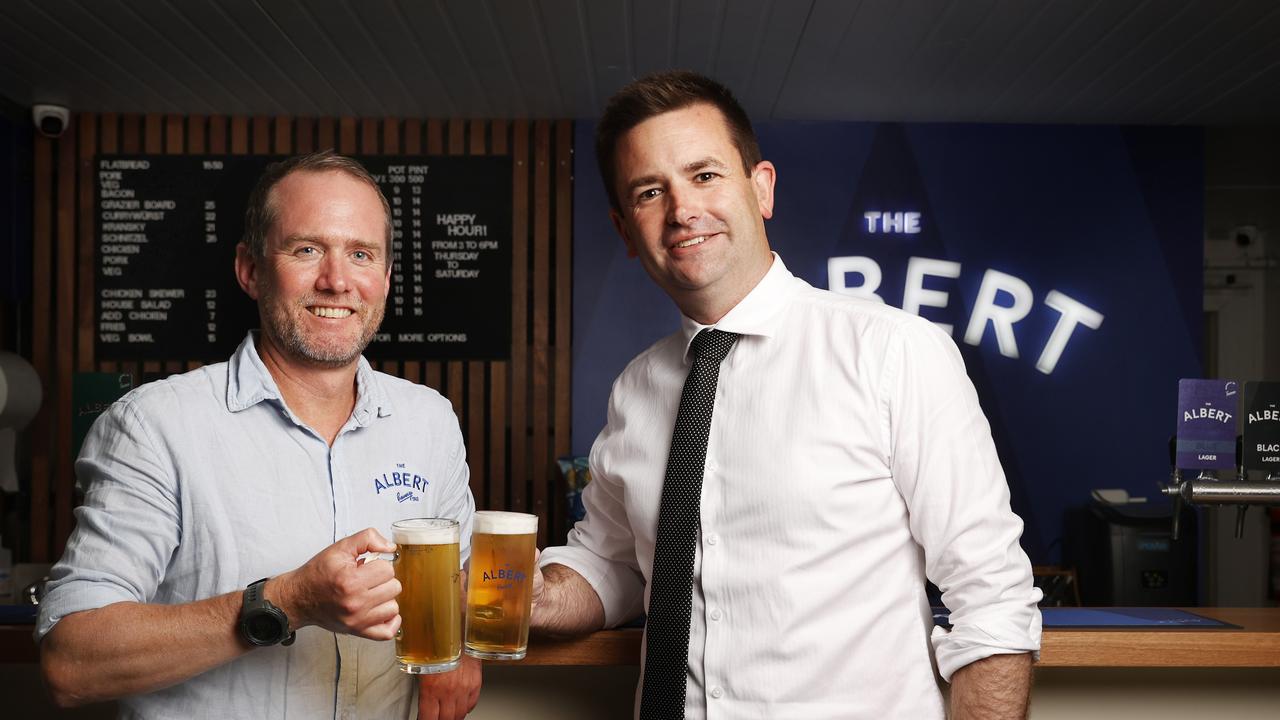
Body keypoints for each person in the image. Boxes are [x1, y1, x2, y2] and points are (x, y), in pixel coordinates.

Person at [531, 71, 1042, 719]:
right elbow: (613, 563)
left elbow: (991, 598)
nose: (682, 209)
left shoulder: (891, 352)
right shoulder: (636, 387)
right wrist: (541, 599)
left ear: (761, 188)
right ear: (626, 231)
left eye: (705, 175)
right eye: (650, 191)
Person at [36, 151, 481, 720]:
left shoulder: (429, 420)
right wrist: (285, 602)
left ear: (386, 278)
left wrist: (458, 649)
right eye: (307, 249)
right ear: (249, 269)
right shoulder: (154, 425)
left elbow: (457, 584)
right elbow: (70, 661)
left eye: (361, 254)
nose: (337, 280)